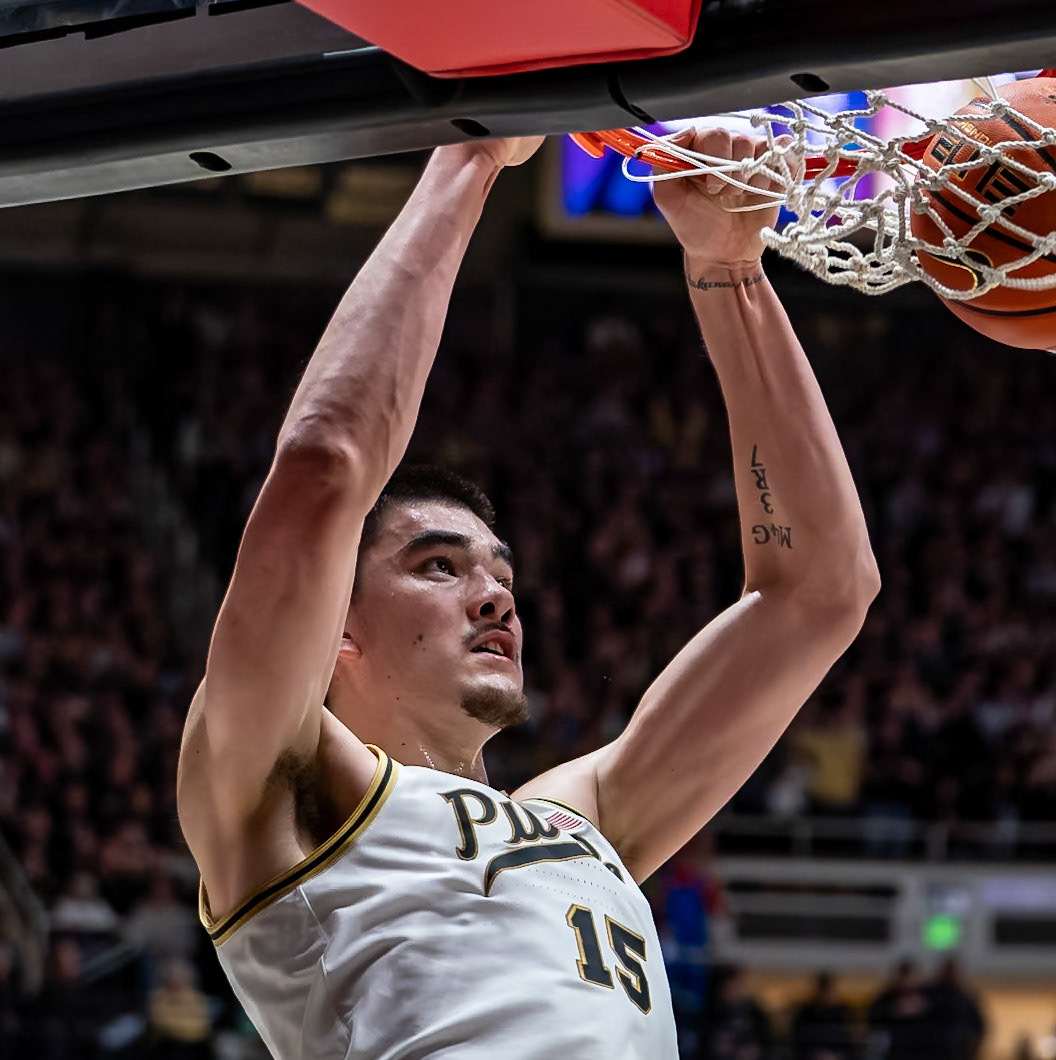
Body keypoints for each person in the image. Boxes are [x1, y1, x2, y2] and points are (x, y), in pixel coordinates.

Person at [176, 132, 878, 1060]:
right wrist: (469, 155)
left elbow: (822, 590)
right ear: (334, 625)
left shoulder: (583, 817)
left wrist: (728, 268)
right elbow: (323, 466)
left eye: (502, 576)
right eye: (438, 566)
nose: (495, 599)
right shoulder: (287, 784)